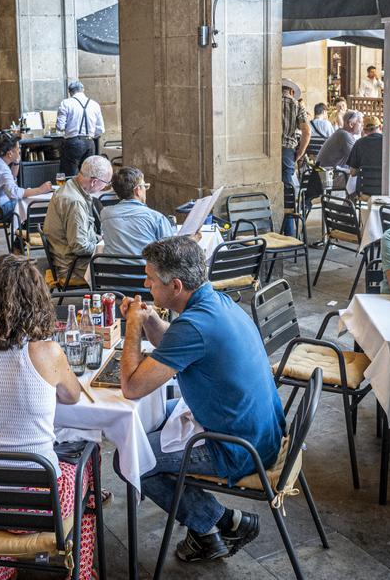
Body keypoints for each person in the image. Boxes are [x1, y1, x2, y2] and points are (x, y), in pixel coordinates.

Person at [117, 237, 284, 562]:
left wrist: (133, 329)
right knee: (142, 431)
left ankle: (210, 527)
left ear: (176, 285)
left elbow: (132, 387)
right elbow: (174, 344)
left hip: (238, 447)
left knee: (130, 459)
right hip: (259, 429)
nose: (145, 283)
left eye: (150, 278)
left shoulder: (195, 326)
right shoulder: (215, 303)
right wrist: (150, 318)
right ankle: (225, 522)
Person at [0, 254, 99, 580]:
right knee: (88, 466)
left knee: (0, 477)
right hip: (40, 503)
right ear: (35, 300)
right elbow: (72, 396)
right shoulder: (46, 351)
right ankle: (83, 572)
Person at [43, 155, 112, 281]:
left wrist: (99, 239)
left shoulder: (71, 185)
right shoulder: (75, 202)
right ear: (94, 181)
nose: (105, 187)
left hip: (65, 256)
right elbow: (79, 246)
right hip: (71, 266)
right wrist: (106, 247)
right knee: (121, 265)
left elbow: (81, 235)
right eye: (106, 183)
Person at [0, 132, 52, 224]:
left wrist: (16, 161)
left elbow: (12, 178)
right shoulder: (0, 168)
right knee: (29, 205)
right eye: (18, 149)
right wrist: (40, 190)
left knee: (25, 201)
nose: (19, 151)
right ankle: (25, 234)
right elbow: (14, 193)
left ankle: (22, 234)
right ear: (9, 154)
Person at [98, 166, 175, 258]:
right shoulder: (157, 218)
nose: (145, 190)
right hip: (145, 271)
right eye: (144, 186)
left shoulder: (105, 214)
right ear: (137, 190)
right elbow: (171, 252)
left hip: (111, 271)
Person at [55, 80, 105, 177]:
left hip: (73, 142)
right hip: (90, 143)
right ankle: (86, 192)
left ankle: (70, 192)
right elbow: (100, 129)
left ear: (70, 92)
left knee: (69, 175)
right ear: (83, 90)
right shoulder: (95, 104)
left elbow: (60, 126)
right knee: (88, 174)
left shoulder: (66, 103)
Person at [344, 115, 390, 186]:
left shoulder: (359, 143)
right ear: (380, 127)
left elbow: (353, 172)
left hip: (365, 189)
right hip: (389, 188)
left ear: (364, 130)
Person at [281, 78, 309, 187]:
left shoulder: (268, 102)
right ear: (292, 91)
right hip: (287, 149)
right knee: (287, 185)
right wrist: (300, 153)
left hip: (267, 149)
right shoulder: (297, 105)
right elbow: (306, 132)